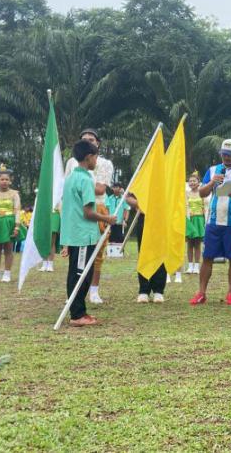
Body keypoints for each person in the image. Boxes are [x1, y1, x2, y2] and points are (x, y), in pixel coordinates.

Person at [61, 140, 114, 327]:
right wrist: (107, 219)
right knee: (80, 274)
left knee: (77, 272)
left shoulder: (71, 178)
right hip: (83, 235)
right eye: (96, 157)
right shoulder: (85, 180)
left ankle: (78, 311)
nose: (96, 161)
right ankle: (77, 314)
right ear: (89, 157)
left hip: (75, 233)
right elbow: (88, 212)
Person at [191, 139, 231, 306]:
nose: (226, 157)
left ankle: (230, 293)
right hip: (213, 221)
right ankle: (201, 293)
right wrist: (212, 182)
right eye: (224, 154)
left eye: (230, 155)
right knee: (207, 257)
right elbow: (201, 193)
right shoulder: (213, 170)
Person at [126, 192, 167, 303]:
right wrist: (142, 204)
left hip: (161, 219)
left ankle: (158, 291)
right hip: (144, 218)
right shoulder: (142, 180)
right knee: (144, 253)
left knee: (160, 253)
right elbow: (128, 197)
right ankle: (144, 290)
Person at [88, 183, 111, 303]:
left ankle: (94, 291)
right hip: (81, 209)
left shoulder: (105, 165)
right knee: (79, 256)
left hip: (98, 208)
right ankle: (75, 291)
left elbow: (100, 190)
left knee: (98, 256)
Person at [185, 173, 207, 275]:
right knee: (189, 243)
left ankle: (197, 267)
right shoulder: (186, 193)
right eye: (190, 181)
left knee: (197, 244)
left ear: (199, 182)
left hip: (199, 219)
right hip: (190, 220)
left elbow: (206, 206)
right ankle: (190, 266)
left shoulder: (202, 193)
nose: (192, 183)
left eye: (194, 181)